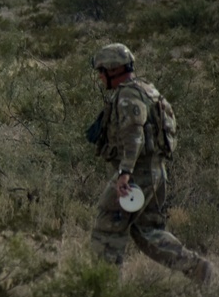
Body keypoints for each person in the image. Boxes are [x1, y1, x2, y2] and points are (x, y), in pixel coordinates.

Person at [89, 42, 211, 284]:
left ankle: (105, 287)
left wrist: (125, 173)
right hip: (156, 172)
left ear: (113, 70)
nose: (100, 77)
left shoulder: (127, 96)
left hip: (137, 173)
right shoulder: (147, 90)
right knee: (148, 231)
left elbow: (134, 135)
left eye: (102, 71)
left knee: (107, 227)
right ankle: (195, 267)